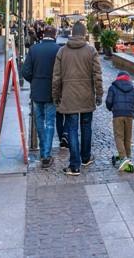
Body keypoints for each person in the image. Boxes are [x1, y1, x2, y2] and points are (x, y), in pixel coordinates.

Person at [52, 22, 103, 176]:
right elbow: (97, 75)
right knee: (86, 127)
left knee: (72, 130)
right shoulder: (91, 50)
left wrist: (56, 95)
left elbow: (56, 77)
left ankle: (74, 165)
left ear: (72, 33)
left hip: (69, 97)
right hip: (86, 96)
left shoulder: (62, 51)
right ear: (85, 33)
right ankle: (86, 158)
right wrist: (99, 94)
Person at [22, 25, 61, 168]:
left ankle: (43, 152)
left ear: (43, 35)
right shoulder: (58, 50)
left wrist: (35, 80)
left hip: (37, 90)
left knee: (39, 121)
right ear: (55, 34)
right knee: (50, 122)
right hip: (52, 91)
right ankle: (46, 154)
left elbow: (25, 71)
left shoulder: (33, 49)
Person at [105, 71, 134, 171]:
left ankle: (123, 157)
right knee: (127, 137)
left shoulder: (113, 87)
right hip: (129, 115)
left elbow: (108, 101)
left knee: (119, 136)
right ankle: (128, 158)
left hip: (118, 114)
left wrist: (110, 108)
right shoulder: (132, 88)